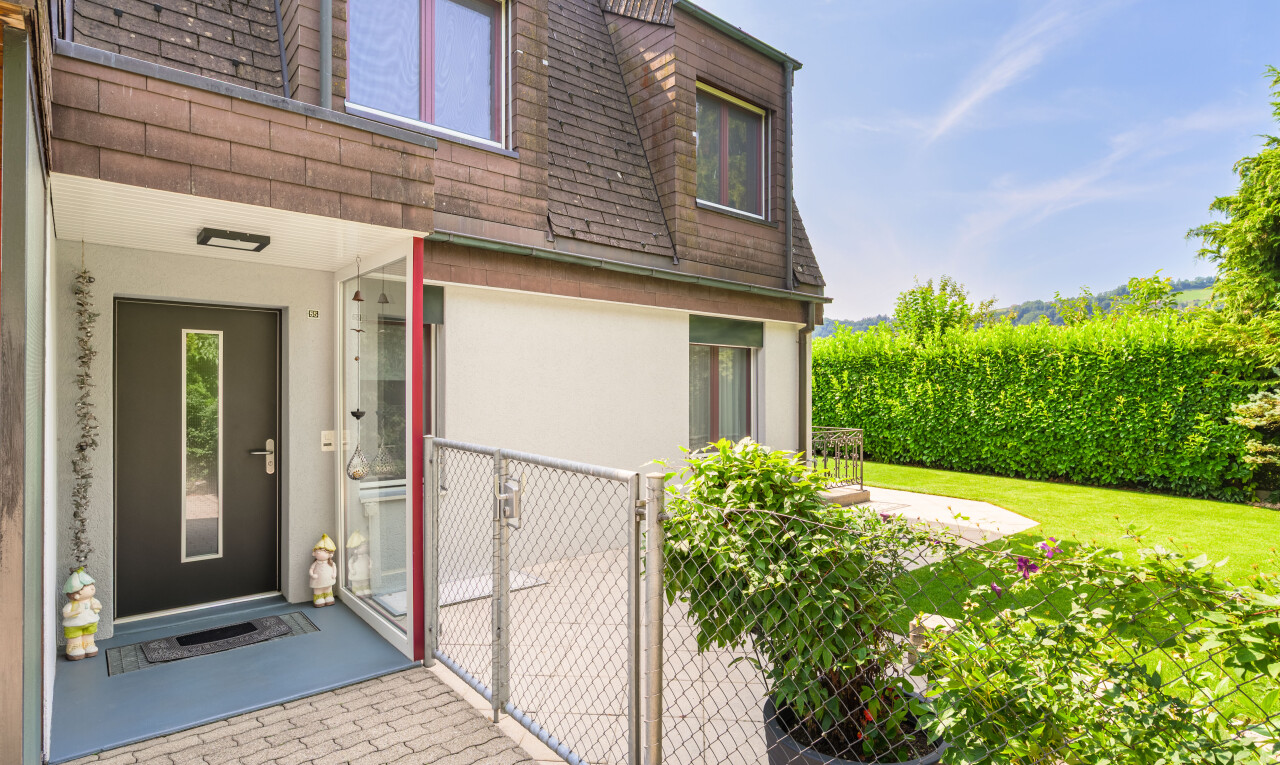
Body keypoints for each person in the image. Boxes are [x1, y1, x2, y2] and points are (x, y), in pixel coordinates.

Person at [62, 568, 102, 660]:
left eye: (91, 584)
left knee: (89, 635)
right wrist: (75, 612)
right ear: (75, 592)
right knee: (75, 637)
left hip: (91, 622)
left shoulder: (92, 600)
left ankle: (88, 645)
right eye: (86, 586)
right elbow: (65, 614)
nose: (92, 587)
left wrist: (96, 606)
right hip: (75, 625)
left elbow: (99, 606)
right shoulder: (71, 605)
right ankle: (75, 647)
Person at [310, 534, 338, 607]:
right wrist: (312, 575)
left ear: (330, 554)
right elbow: (311, 569)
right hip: (318, 580)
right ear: (314, 553)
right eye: (318, 551)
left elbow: (334, 568)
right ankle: (319, 598)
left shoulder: (331, 563)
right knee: (318, 589)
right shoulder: (316, 563)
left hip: (328, 580)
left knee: (328, 588)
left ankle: (328, 597)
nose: (319, 552)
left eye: (323, 551)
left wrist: (334, 574)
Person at [346, 530, 372, 597]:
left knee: (365, 582)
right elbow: (350, 564)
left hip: (365, 573)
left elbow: (370, 561)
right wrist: (352, 570)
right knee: (356, 582)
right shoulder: (353, 558)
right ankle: (357, 589)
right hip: (356, 574)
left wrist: (370, 565)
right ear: (355, 549)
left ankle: (365, 588)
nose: (366, 547)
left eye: (365, 545)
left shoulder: (366, 556)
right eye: (363, 546)